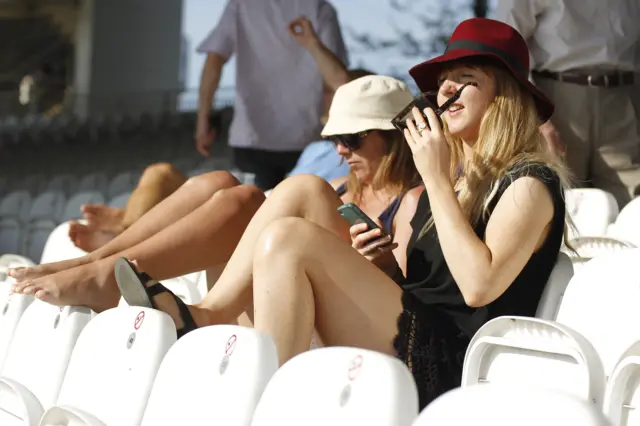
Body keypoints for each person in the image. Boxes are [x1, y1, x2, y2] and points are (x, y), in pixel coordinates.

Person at [112, 18, 570, 410]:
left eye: (464, 77)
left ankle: (269, 404)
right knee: (300, 190)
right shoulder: (455, 180)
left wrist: (434, 177)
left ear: (504, 96)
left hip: (452, 359)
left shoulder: (528, 183)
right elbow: (429, 281)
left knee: (290, 239)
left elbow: (477, 286)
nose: (444, 89)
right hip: (413, 322)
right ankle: (210, 313)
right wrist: (384, 264)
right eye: (442, 80)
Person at [11, 75, 423, 315]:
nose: (339, 151)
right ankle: (96, 265)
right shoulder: (339, 189)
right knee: (220, 184)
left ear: (396, 138)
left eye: (351, 137)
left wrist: (384, 263)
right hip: (274, 300)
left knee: (262, 196)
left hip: (339, 317)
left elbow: (418, 286)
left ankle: (107, 274)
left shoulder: (414, 199)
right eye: (335, 138)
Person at [67, 15, 359, 253]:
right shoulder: (314, 150)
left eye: (331, 93)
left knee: (223, 188)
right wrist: (203, 117)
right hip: (264, 202)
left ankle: (120, 240)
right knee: (160, 173)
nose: (324, 97)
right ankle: (126, 225)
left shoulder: (360, 155)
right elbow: (215, 59)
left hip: (274, 215)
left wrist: (310, 43)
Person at [494, 0, 640, 207]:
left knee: (633, 206)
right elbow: (505, 45)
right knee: (558, 204)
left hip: (624, 98)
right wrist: (535, 115)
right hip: (554, 99)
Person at [195, 0, 348, 191]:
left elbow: (214, 60)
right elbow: (338, 79)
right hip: (307, 137)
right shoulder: (319, 8)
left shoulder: (241, 5)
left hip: (254, 137)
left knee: (255, 212)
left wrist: (203, 120)